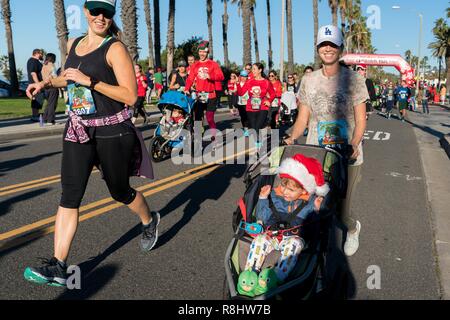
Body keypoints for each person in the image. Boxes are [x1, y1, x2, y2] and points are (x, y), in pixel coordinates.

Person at [23, 0, 159, 287]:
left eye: (106, 12)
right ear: (85, 11)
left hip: (113, 131)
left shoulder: (115, 48)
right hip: (78, 129)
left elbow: (131, 96)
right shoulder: (74, 42)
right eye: (95, 11)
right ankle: (59, 266)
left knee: (119, 191)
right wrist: (45, 84)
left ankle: (149, 220)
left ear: (111, 16)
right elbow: (69, 78)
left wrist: (91, 81)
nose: (100, 17)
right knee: (69, 195)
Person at [285, 24, 368, 257]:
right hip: (318, 154)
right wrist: (291, 136)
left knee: (342, 212)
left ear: (340, 48)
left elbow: (361, 121)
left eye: (332, 44)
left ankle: (352, 229)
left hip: (347, 155)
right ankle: (315, 250)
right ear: (318, 49)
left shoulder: (355, 79)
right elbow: (303, 119)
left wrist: (354, 143)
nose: (328, 49)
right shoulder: (308, 80)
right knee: (314, 204)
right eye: (323, 44)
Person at [237, 154, 327, 297]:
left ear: (304, 190)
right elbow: (262, 217)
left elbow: (313, 230)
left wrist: (317, 210)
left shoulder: (309, 203)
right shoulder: (275, 196)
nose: (285, 191)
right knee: (259, 240)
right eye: (283, 185)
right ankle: (250, 274)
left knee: (294, 245)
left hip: (293, 238)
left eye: (291, 190)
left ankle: (276, 278)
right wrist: (262, 198)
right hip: (272, 235)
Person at [184, 40, 224, 136]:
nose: (202, 54)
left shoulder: (213, 64)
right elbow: (190, 79)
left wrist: (210, 76)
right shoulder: (195, 65)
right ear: (198, 52)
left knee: (209, 118)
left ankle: (214, 137)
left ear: (207, 52)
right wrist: (186, 88)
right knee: (197, 119)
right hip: (199, 95)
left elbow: (221, 77)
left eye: (204, 52)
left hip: (211, 95)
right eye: (200, 52)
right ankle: (198, 140)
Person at [237, 63, 275, 149]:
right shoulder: (249, 81)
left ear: (260, 70)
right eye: (252, 69)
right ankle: (257, 141)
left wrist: (269, 101)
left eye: (254, 69)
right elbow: (241, 93)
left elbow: (273, 93)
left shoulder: (266, 82)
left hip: (263, 107)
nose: (252, 71)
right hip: (250, 107)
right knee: (254, 128)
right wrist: (238, 83)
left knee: (258, 126)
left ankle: (258, 143)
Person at [41, 53, 59, 126]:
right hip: (52, 86)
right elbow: (54, 76)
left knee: (48, 103)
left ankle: (45, 119)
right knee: (52, 104)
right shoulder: (52, 65)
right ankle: (50, 120)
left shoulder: (44, 65)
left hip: (46, 87)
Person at [27, 49, 44, 122]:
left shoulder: (34, 61)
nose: (42, 55)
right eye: (41, 54)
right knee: (37, 99)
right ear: (36, 53)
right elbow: (33, 73)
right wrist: (38, 84)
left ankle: (35, 115)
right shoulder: (33, 61)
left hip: (35, 84)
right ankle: (35, 116)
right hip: (35, 84)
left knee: (38, 99)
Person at [236, 70, 250, 136]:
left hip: (247, 103)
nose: (243, 78)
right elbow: (239, 93)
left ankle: (247, 128)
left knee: (247, 117)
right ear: (240, 77)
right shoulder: (237, 84)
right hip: (240, 103)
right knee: (243, 117)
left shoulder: (248, 83)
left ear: (247, 77)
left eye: (245, 76)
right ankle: (245, 129)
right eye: (242, 76)